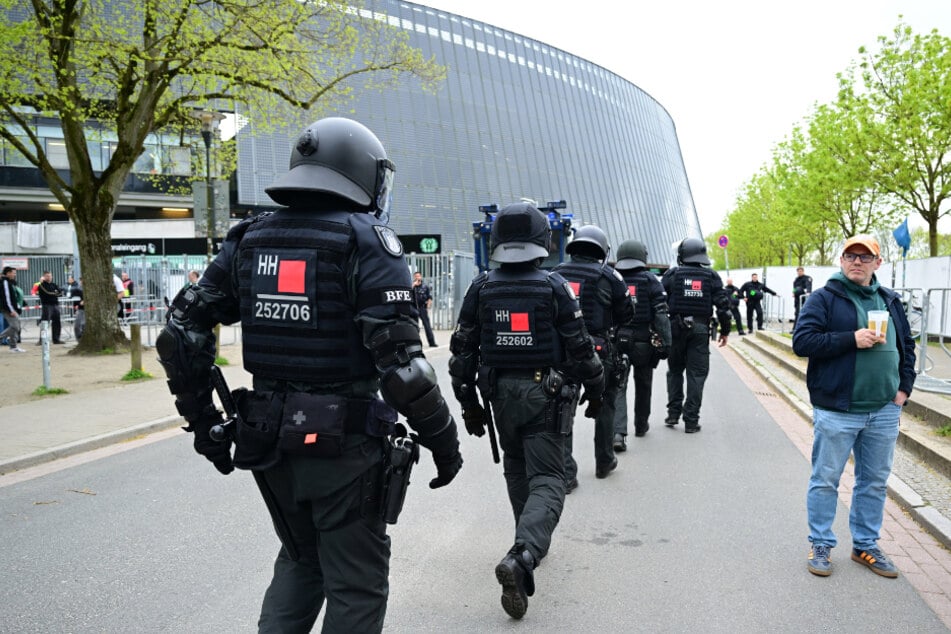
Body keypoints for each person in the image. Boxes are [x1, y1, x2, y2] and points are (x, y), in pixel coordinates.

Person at [156, 117, 462, 632]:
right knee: (356, 584)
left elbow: (179, 331)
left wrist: (205, 424)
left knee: (300, 561)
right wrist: (444, 441)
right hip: (345, 448)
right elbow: (405, 370)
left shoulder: (247, 237)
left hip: (267, 442)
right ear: (367, 176)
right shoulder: (367, 240)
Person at [449, 202, 604, 619]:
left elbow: (461, 354)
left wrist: (468, 406)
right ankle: (524, 554)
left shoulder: (481, 288)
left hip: (499, 396)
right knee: (550, 478)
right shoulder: (554, 286)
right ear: (542, 242)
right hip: (545, 395)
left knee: (517, 468)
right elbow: (581, 345)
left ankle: (525, 541)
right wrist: (598, 387)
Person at [792, 235, 915, 579]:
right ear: (841, 260)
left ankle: (865, 545)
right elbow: (802, 342)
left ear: (878, 263)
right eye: (851, 255)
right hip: (838, 410)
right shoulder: (824, 298)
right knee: (825, 479)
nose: (857, 261)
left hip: (884, 409)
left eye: (865, 256)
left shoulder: (890, 300)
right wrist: (851, 339)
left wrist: (904, 388)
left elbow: (907, 345)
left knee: (873, 482)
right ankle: (820, 543)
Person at [553, 225, 633, 485]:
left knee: (564, 407)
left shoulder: (555, 274)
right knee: (605, 404)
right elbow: (626, 314)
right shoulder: (609, 276)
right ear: (601, 249)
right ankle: (604, 461)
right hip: (600, 351)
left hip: (564, 353)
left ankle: (566, 473)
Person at [662, 238, 731, 433]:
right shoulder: (711, 276)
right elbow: (724, 308)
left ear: (681, 255)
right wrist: (725, 332)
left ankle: (673, 414)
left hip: (675, 329)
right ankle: (691, 421)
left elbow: (657, 300)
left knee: (675, 371)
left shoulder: (672, 275)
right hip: (700, 329)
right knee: (697, 375)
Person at [613, 240, 671, 448]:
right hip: (644, 343)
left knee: (619, 385)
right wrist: (666, 343)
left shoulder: (613, 278)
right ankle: (641, 424)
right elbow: (662, 315)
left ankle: (618, 433)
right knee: (644, 384)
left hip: (619, 341)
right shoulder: (650, 280)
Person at [1, 266, 26, 352]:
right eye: (13, 273)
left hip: (13, 308)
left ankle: (13, 346)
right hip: (8, 308)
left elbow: (14, 296)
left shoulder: (10, 282)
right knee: (15, 326)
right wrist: (11, 310)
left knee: (16, 327)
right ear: (8, 273)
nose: (15, 275)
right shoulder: (5, 282)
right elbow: (6, 297)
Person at [36, 270, 64, 344]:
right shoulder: (41, 285)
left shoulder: (54, 285)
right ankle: (42, 340)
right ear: (44, 277)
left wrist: (56, 293)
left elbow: (61, 293)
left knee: (57, 322)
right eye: (47, 276)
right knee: (45, 323)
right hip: (47, 305)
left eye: (50, 276)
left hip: (55, 305)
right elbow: (47, 293)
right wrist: (56, 293)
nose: (49, 277)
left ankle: (56, 339)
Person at [412, 271, 438, 347]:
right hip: (414, 309)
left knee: (427, 326)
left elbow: (429, 297)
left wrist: (428, 306)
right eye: (416, 276)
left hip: (422, 308)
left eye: (419, 276)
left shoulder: (425, 286)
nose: (417, 277)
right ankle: (416, 343)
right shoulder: (412, 286)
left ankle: (432, 342)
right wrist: (413, 285)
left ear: (421, 277)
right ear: (414, 277)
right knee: (414, 326)